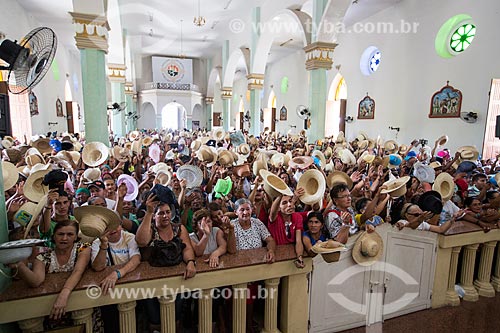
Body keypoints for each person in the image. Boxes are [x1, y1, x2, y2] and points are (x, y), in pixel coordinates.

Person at [8, 220, 93, 329]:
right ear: (54, 236)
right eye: (60, 234)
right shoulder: (44, 256)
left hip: (80, 303)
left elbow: (78, 271)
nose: (64, 238)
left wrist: (63, 295)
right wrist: (19, 265)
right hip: (54, 309)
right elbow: (36, 280)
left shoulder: (83, 248)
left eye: (70, 234)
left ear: (76, 237)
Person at [135, 194, 196, 331]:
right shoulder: (150, 229)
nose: (165, 216)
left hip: (177, 279)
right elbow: (141, 241)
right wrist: (149, 212)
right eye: (161, 213)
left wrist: (191, 262)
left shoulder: (178, 229)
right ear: (155, 216)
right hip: (151, 282)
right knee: (155, 319)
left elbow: (187, 249)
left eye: (168, 212)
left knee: (175, 317)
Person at [268, 189, 306, 268]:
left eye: (290, 201)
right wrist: (280, 195)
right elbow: (272, 212)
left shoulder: (297, 217)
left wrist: (299, 258)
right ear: (278, 207)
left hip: (291, 257)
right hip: (276, 258)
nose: (289, 205)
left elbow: (298, 241)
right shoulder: (275, 218)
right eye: (284, 203)